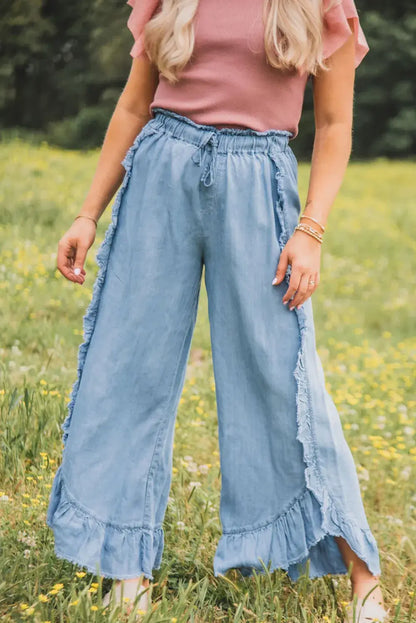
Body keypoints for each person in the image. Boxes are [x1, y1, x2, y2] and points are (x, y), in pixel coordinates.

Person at [46, 0, 390, 621]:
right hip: (160, 173)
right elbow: (132, 104)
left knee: (284, 377)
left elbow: (335, 125)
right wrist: (86, 213)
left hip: (259, 180)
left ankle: (361, 574)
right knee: (127, 367)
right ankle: (126, 567)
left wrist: (310, 229)